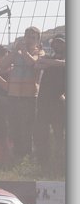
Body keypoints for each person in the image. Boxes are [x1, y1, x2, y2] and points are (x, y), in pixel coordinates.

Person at [0, 26, 44, 164]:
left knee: (27, 128)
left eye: (33, 38)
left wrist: (23, 51)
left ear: (37, 40)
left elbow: (32, 63)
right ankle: (17, 156)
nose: (29, 40)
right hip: (13, 95)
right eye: (27, 37)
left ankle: (27, 157)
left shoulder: (39, 52)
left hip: (29, 96)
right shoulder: (16, 53)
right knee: (14, 126)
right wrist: (14, 51)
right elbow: (2, 65)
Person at [34, 34, 66, 169]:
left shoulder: (51, 60)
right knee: (42, 131)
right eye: (56, 43)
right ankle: (43, 160)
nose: (58, 45)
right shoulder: (49, 58)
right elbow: (37, 65)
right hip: (44, 100)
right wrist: (50, 62)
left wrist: (48, 63)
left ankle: (61, 161)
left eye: (61, 43)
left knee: (59, 132)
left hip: (59, 100)